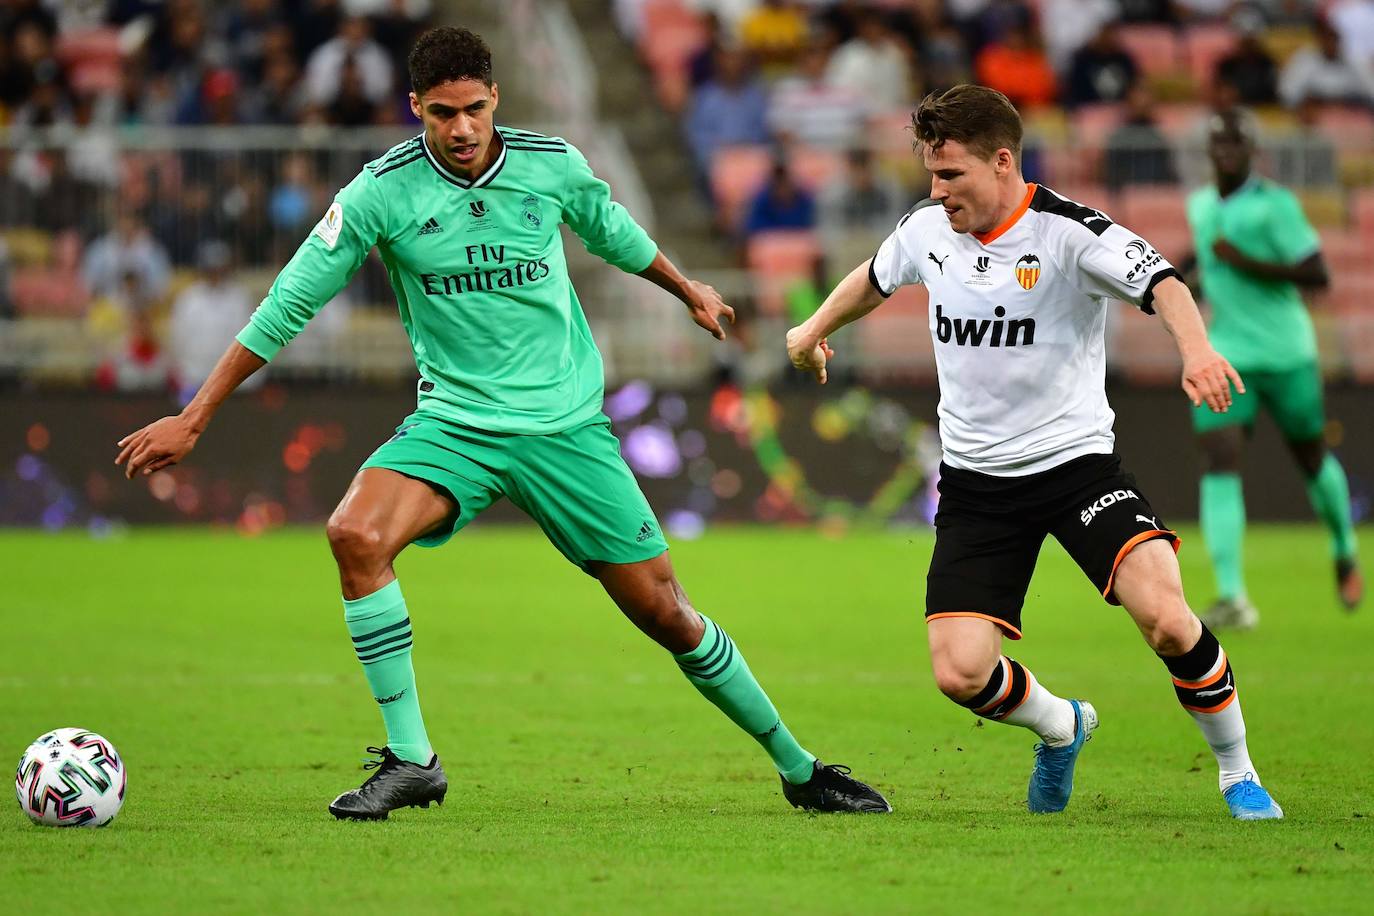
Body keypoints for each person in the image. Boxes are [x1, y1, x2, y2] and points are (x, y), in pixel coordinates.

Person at [116, 27, 889, 821]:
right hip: (457, 426)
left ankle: (800, 769)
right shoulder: (379, 193)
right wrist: (196, 416)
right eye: (442, 113)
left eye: (474, 109)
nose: (460, 129)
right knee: (354, 535)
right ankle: (413, 759)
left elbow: (609, 229)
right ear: (414, 106)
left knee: (668, 613)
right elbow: (289, 303)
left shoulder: (551, 164)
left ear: (496, 100)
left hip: (565, 428)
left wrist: (685, 285)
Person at [785, 84, 1283, 820]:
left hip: (1076, 468)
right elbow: (877, 274)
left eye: (951, 174)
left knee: (1169, 620)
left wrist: (1197, 350)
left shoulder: (1069, 233)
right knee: (959, 674)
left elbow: (1165, 284)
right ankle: (1062, 726)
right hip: (976, 483)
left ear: (1001, 161)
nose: (937, 190)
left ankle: (1238, 773)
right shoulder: (927, 230)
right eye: (930, 174)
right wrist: (813, 328)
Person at [1185, 110, 1362, 630]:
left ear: (1252, 150)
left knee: (1309, 455)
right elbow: (1204, 264)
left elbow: (1317, 272)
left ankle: (1343, 543)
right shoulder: (1200, 206)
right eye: (1218, 143)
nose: (1226, 152)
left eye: (1235, 143)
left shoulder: (1277, 206)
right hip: (1227, 354)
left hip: (1287, 353)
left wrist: (1243, 262)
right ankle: (1233, 596)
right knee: (1219, 457)